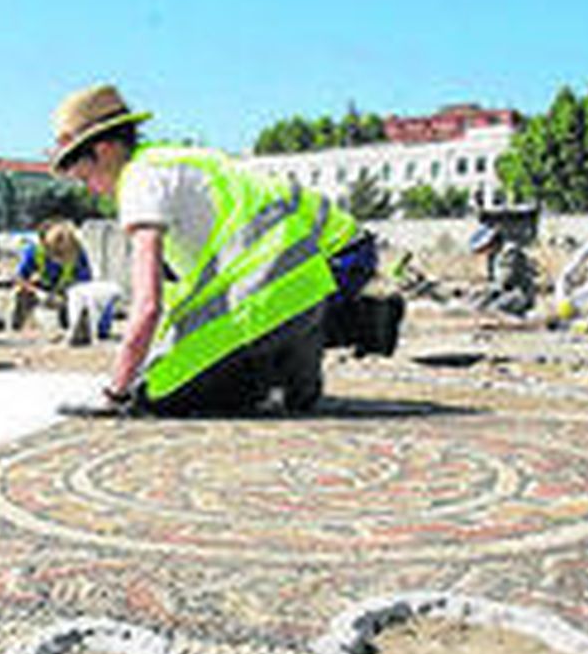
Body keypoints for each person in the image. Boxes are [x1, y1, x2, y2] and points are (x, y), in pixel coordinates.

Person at [51, 84, 399, 416]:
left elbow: (148, 305)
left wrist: (117, 391)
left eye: (86, 178)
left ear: (105, 150)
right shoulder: (171, 161)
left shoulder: (138, 182)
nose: (92, 191)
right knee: (193, 354)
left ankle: (297, 355)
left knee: (158, 392)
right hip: (319, 267)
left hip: (307, 274)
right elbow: (184, 296)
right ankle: (294, 358)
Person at [11, 220, 91, 331]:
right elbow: (18, 277)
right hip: (44, 288)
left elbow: (86, 283)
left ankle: (73, 326)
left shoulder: (78, 253)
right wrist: (37, 293)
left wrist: (68, 298)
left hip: (67, 291)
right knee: (20, 293)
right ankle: (19, 327)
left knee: (80, 305)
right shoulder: (35, 252)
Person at [468, 224, 536, 317]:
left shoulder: (509, 252)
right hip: (504, 292)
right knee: (475, 303)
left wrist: (484, 291)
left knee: (492, 309)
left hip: (518, 294)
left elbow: (505, 282)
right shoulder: (495, 255)